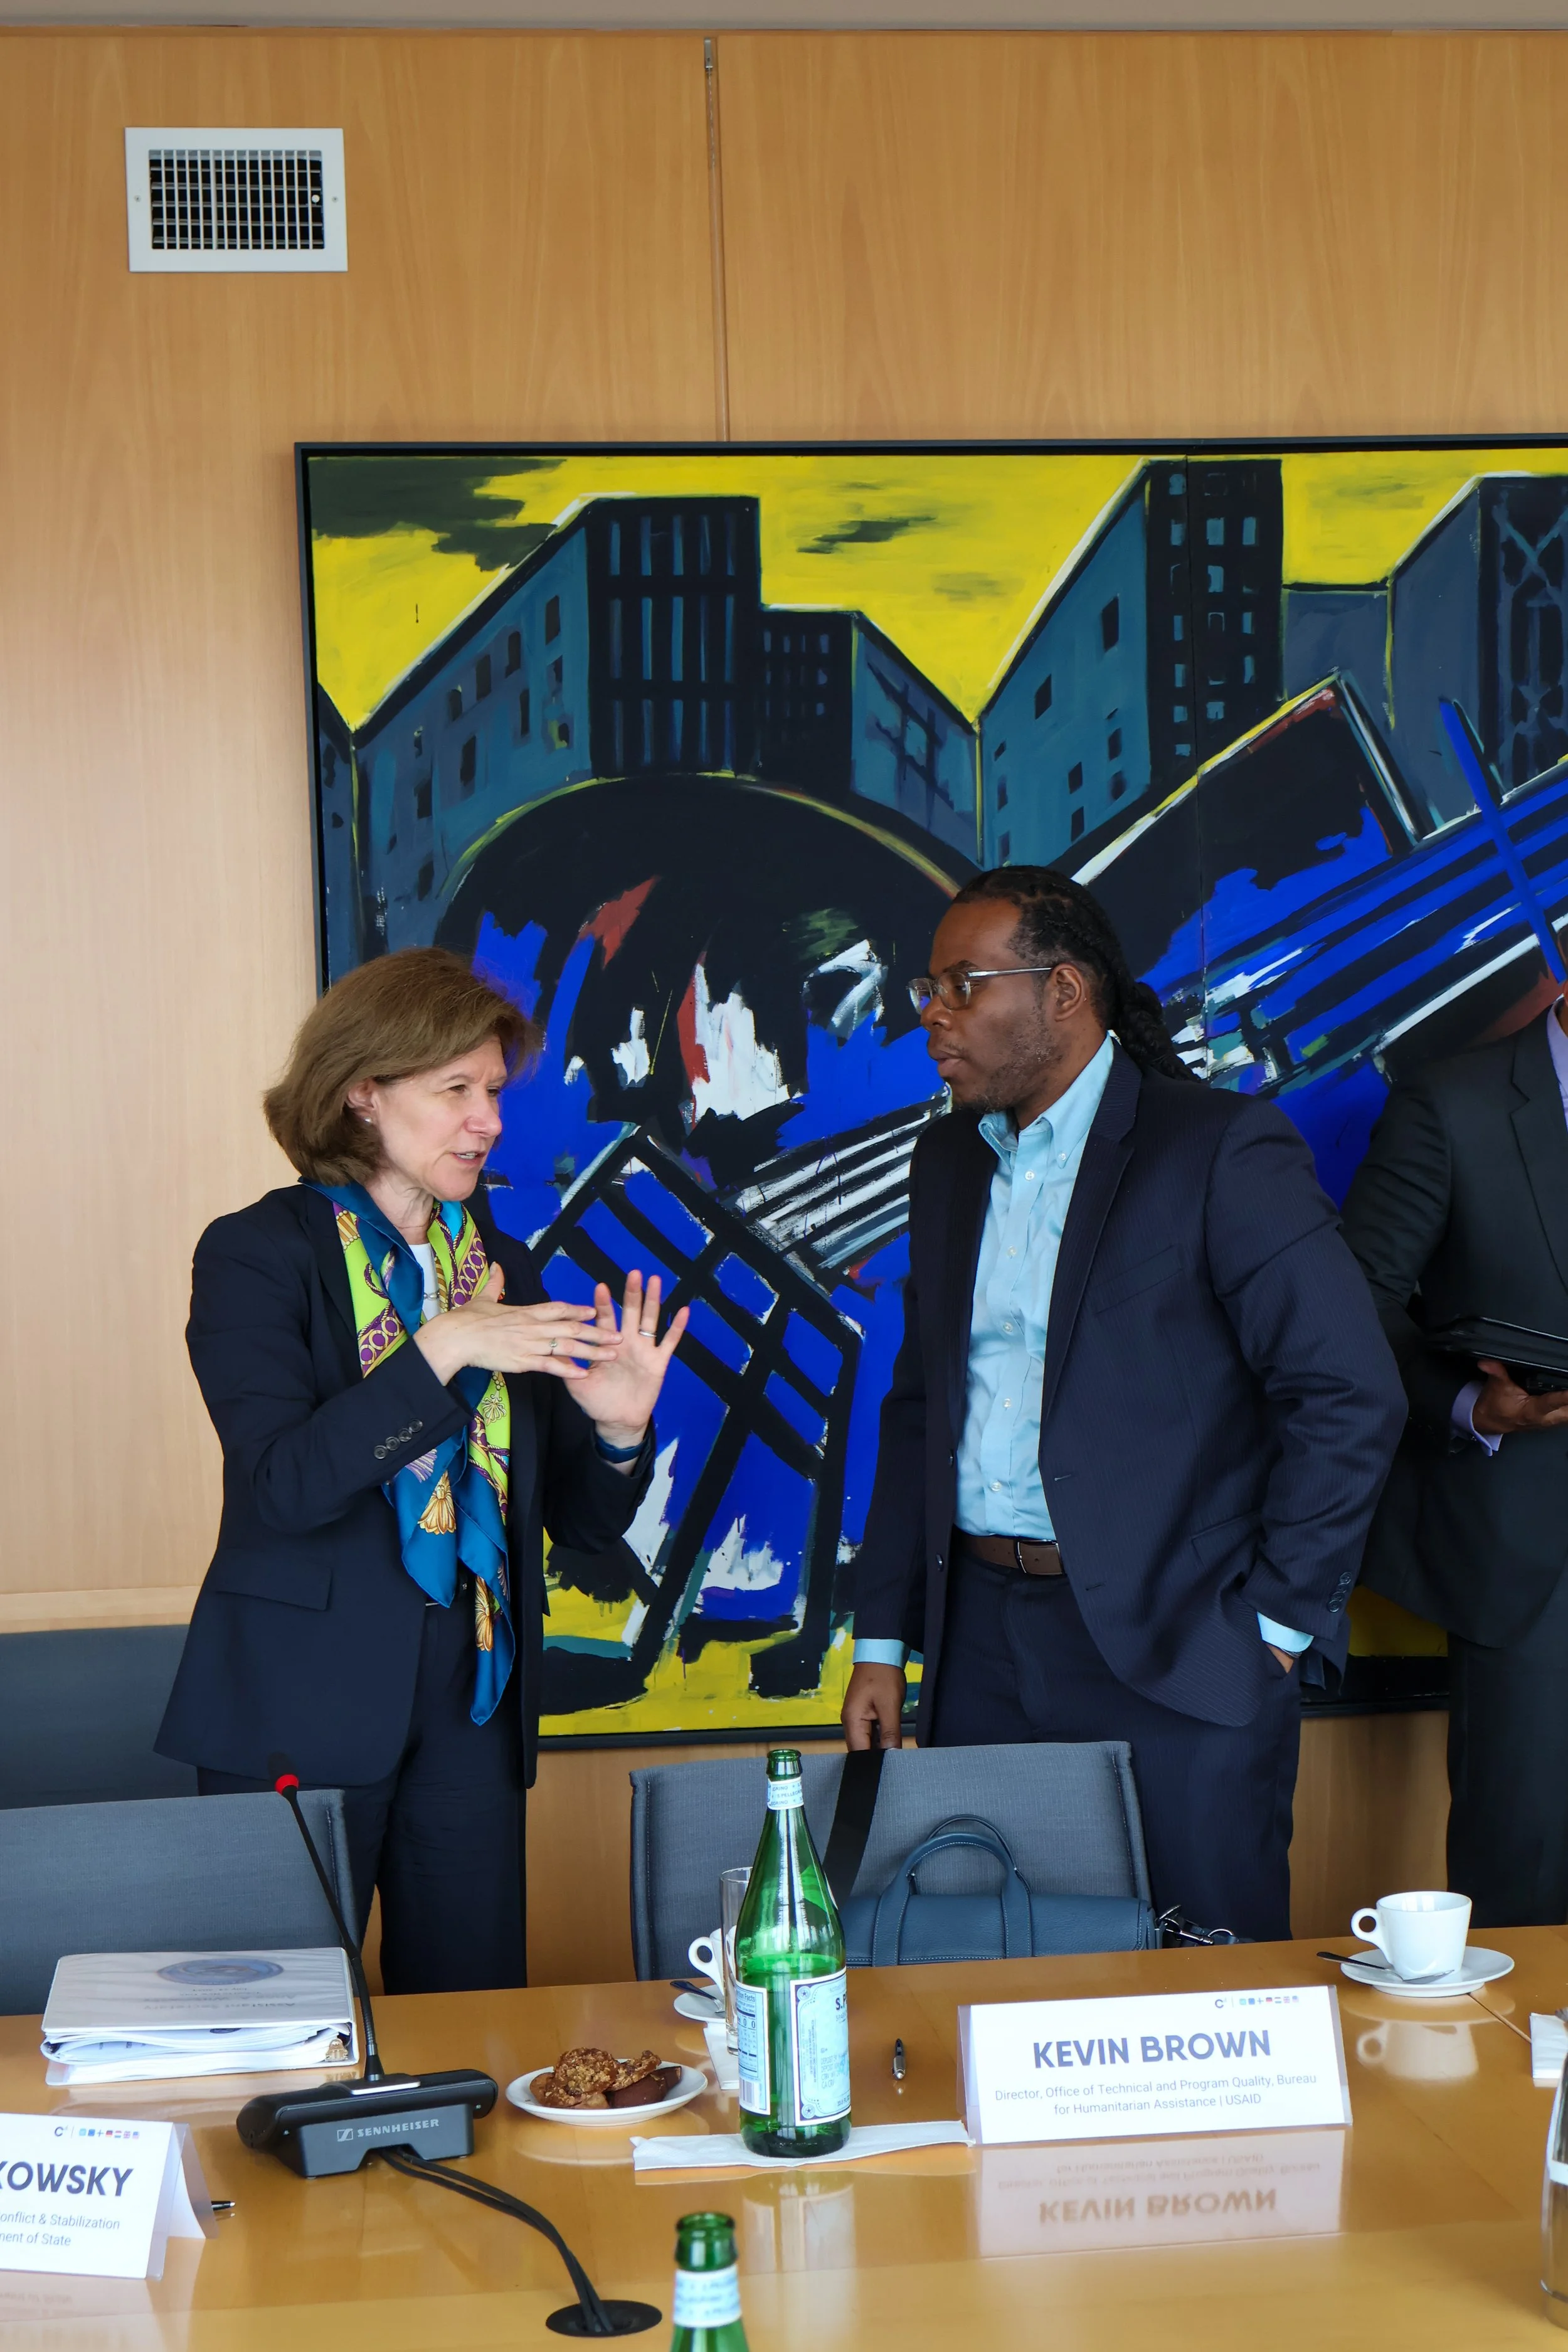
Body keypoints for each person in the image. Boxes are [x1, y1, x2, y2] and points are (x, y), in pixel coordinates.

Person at [841, 867, 1405, 1939]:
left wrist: (1276, 1626)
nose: (932, 1017)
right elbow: (922, 1404)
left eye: (964, 986)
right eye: (928, 988)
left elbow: (1348, 1390)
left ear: (1064, 991)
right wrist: (882, 1639)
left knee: (1206, 1992)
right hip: (983, 1654)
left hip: (1180, 1649)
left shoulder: (1218, 1149)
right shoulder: (948, 1158)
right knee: (995, 1969)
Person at [157, 947, 687, 1993]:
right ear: (362, 1094)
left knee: (472, 2020)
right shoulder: (258, 1254)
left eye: (491, 1091)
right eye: (456, 1091)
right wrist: (441, 1347)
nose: (487, 1120)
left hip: (472, 1711)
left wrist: (620, 1431)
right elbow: (283, 1485)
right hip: (296, 1709)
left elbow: (574, 1526)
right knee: (278, 2028)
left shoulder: (501, 1269)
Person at [1341, 992, 1568, 1929]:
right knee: (1528, 1866)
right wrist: (1476, 1403)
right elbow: (1357, 1301)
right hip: (1534, 1560)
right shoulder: (1450, 1103)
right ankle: (1524, 2081)